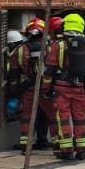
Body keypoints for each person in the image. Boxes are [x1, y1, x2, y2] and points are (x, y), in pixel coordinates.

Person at [42, 13, 85, 162]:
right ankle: (82, 150)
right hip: (80, 89)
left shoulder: (57, 46)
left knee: (63, 119)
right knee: (80, 119)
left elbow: (49, 71)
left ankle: (66, 150)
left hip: (61, 88)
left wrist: (46, 89)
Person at [11, 18, 51, 152]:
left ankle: (25, 144)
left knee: (27, 116)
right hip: (46, 88)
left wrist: (14, 91)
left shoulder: (21, 50)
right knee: (48, 115)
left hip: (28, 88)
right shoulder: (51, 47)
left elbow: (14, 73)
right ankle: (44, 141)